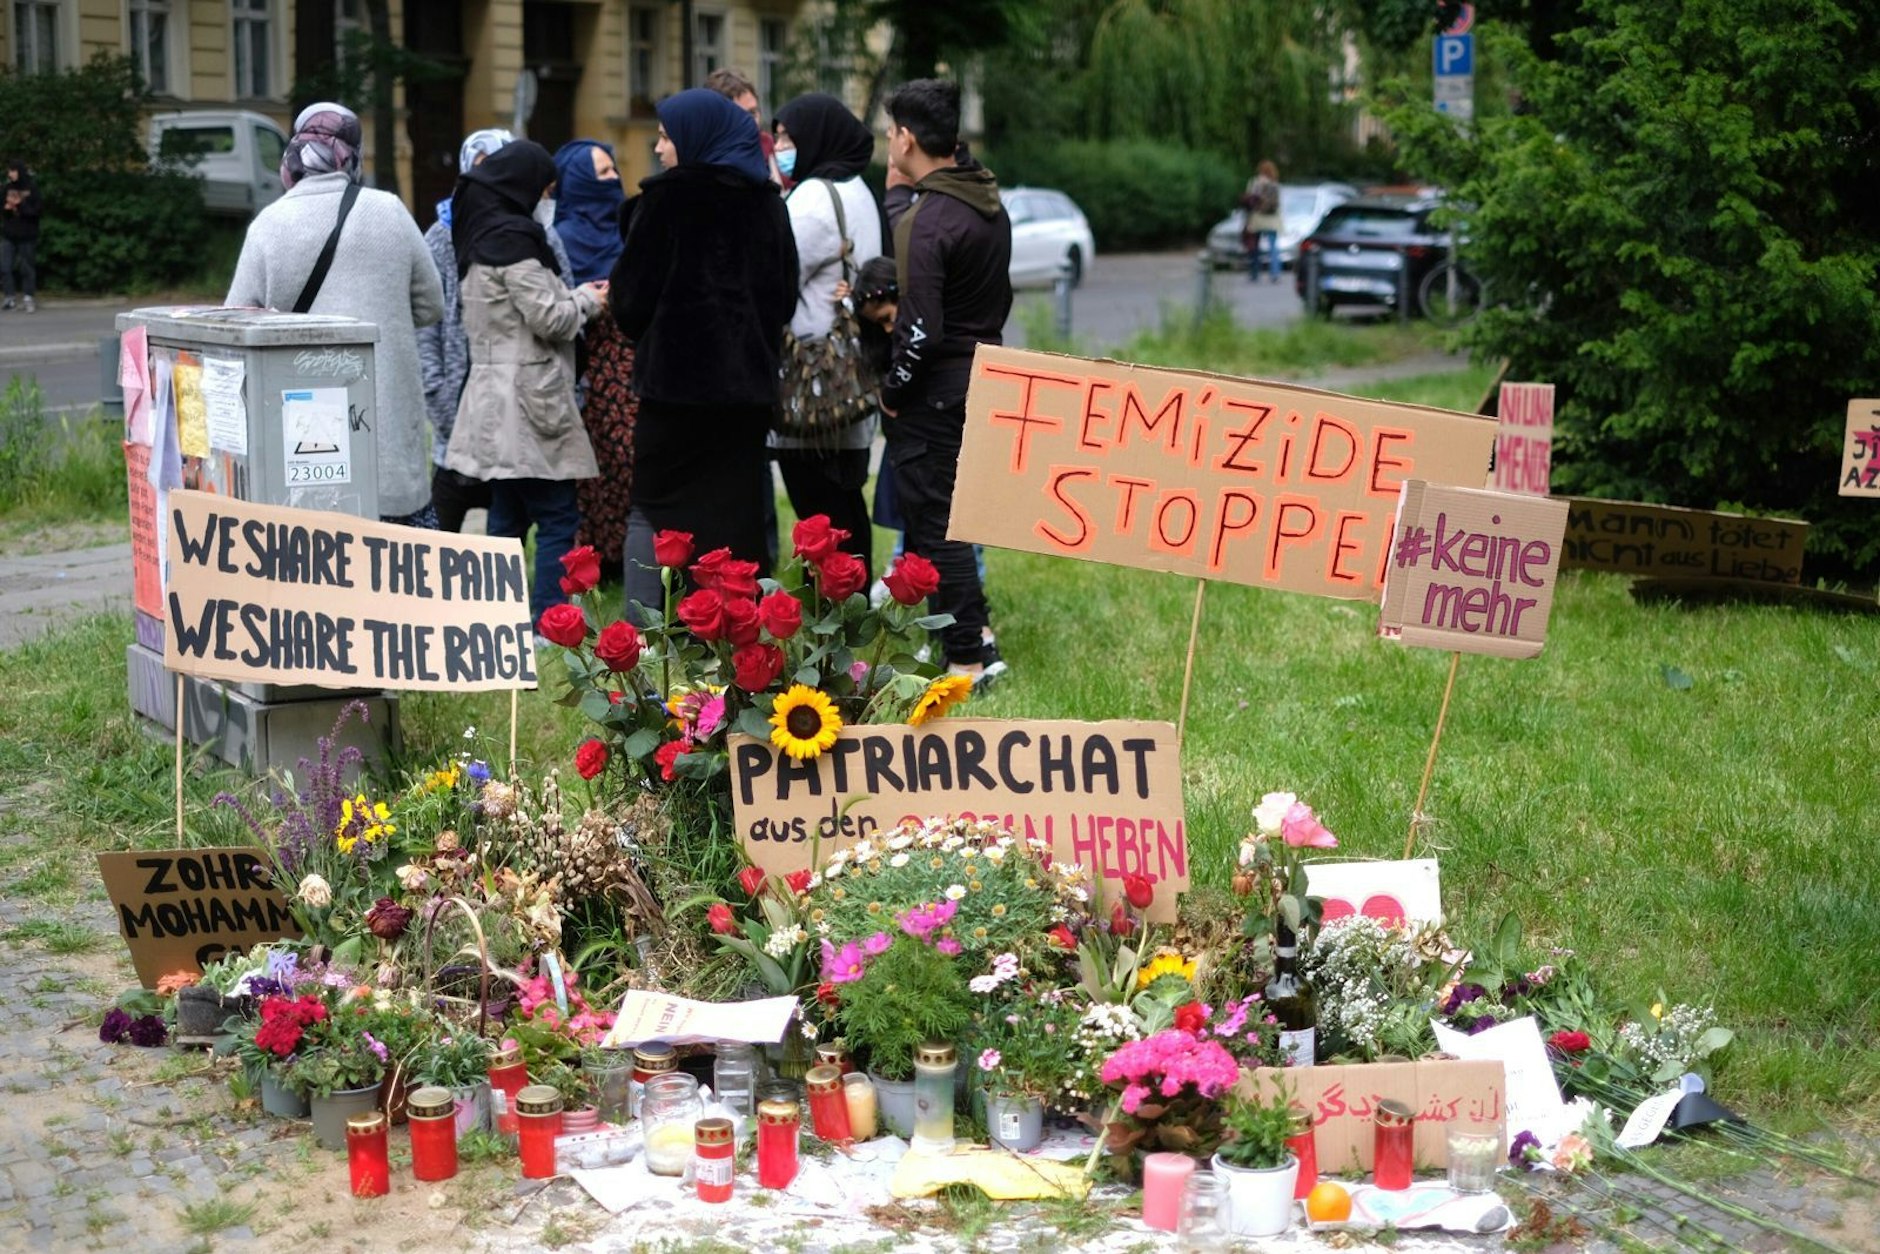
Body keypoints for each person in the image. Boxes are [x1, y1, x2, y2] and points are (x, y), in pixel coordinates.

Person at [609, 89, 797, 610]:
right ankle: (733, 637)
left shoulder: (664, 202)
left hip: (673, 396)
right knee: (735, 518)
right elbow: (785, 299)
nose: (658, 148)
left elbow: (629, 302)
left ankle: (647, 639)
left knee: (653, 510)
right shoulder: (768, 205)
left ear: (693, 138)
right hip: (746, 399)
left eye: (665, 137)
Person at [225, 103, 444, 527]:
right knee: (395, 556)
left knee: (313, 545)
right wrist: (384, 315)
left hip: (299, 433)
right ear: (353, 154)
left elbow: (236, 324)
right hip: (384, 439)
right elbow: (431, 305)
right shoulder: (389, 211)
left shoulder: (268, 225)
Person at [880, 79, 1013, 685]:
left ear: (906, 138)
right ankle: (977, 638)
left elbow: (920, 328)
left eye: (890, 131)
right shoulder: (984, 201)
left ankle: (965, 660)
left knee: (940, 527)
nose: (889, 141)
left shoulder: (930, 219)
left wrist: (893, 390)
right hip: (982, 377)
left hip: (936, 392)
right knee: (957, 520)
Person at [444, 141, 609, 619]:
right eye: (544, 189)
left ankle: (499, 618)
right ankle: (547, 619)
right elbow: (551, 319)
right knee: (557, 514)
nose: (546, 199)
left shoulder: (478, 235)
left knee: (507, 514)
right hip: (530, 400)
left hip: (492, 398)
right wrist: (589, 300)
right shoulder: (515, 245)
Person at [418, 129, 576, 533]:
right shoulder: (442, 235)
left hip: (525, 408)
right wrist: (442, 403)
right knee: (444, 533)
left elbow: (564, 304)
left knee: (508, 518)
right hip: (461, 410)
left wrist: (572, 393)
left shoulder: (541, 234)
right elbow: (428, 325)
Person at [770, 93, 886, 578]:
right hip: (849, 379)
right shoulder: (857, 188)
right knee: (846, 506)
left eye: (787, 138)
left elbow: (775, 279)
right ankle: (851, 602)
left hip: (814, 387)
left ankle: (834, 609)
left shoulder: (812, 199)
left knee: (820, 515)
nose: (779, 147)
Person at [553, 138, 636, 571]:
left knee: (629, 462)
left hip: (630, 369)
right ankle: (595, 558)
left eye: (613, 170)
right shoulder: (562, 239)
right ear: (579, 181)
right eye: (602, 173)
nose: (614, 179)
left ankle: (629, 555)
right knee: (593, 469)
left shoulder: (628, 228)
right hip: (587, 372)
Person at [704, 68, 786, 187]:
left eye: (753, 113)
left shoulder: (770, 147)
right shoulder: (700, 165)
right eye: (741, 115)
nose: (751, 122)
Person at [2, 157, 42, 313]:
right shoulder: (7, 188)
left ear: (19, 171)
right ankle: (9, 297)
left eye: (13, 171)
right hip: (9, 234)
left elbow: (36, 212)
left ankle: (28, 297)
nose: (10, 174)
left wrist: (20, 204)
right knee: (5, 266)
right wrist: (6, 208)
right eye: (9, 171)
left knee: (27, 267)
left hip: (27, 234)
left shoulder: (31, 189)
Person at [1241, 160, 1283, 283]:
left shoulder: (1255, 182)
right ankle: (1275, 273)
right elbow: (1278, 203)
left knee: (1255, 246)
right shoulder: (1275, 184)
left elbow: (1250, 200)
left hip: (1257, 217)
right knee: (1273, 247)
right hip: (1272, 219)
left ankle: (1255, 273)